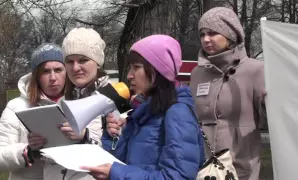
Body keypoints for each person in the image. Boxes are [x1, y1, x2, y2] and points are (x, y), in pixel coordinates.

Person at [81, 34, 204, 180]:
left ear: (158, 70)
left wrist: (116, 173)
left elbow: (178, 177)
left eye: (136, 67)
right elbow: (122, 162)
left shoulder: (178, 112)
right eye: (130, 68)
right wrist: (111, 136)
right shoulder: (142, 110)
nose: (129, 75)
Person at [190, 7, 266, 180]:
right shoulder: (197, 73)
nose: (206, 39)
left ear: (231, 35)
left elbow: (274, 121)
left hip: (240, 167)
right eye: (202, 34)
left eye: (212, 33)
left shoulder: (255, 70)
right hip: (203, 167)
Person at [43, 27, 110, 180]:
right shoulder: (63, 101)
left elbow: (122, 154)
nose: (75, 68)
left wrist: (85, 136)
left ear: (98, 63)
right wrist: (41, 142)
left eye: (83, 60)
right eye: (69, 61)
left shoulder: (115, 99)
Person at [0, 43, 66, 180]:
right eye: (46, 71)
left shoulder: (77, 103)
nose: (53, 77)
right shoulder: (16, 107)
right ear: (36, 76)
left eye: (58, 70)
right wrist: (28, 152)